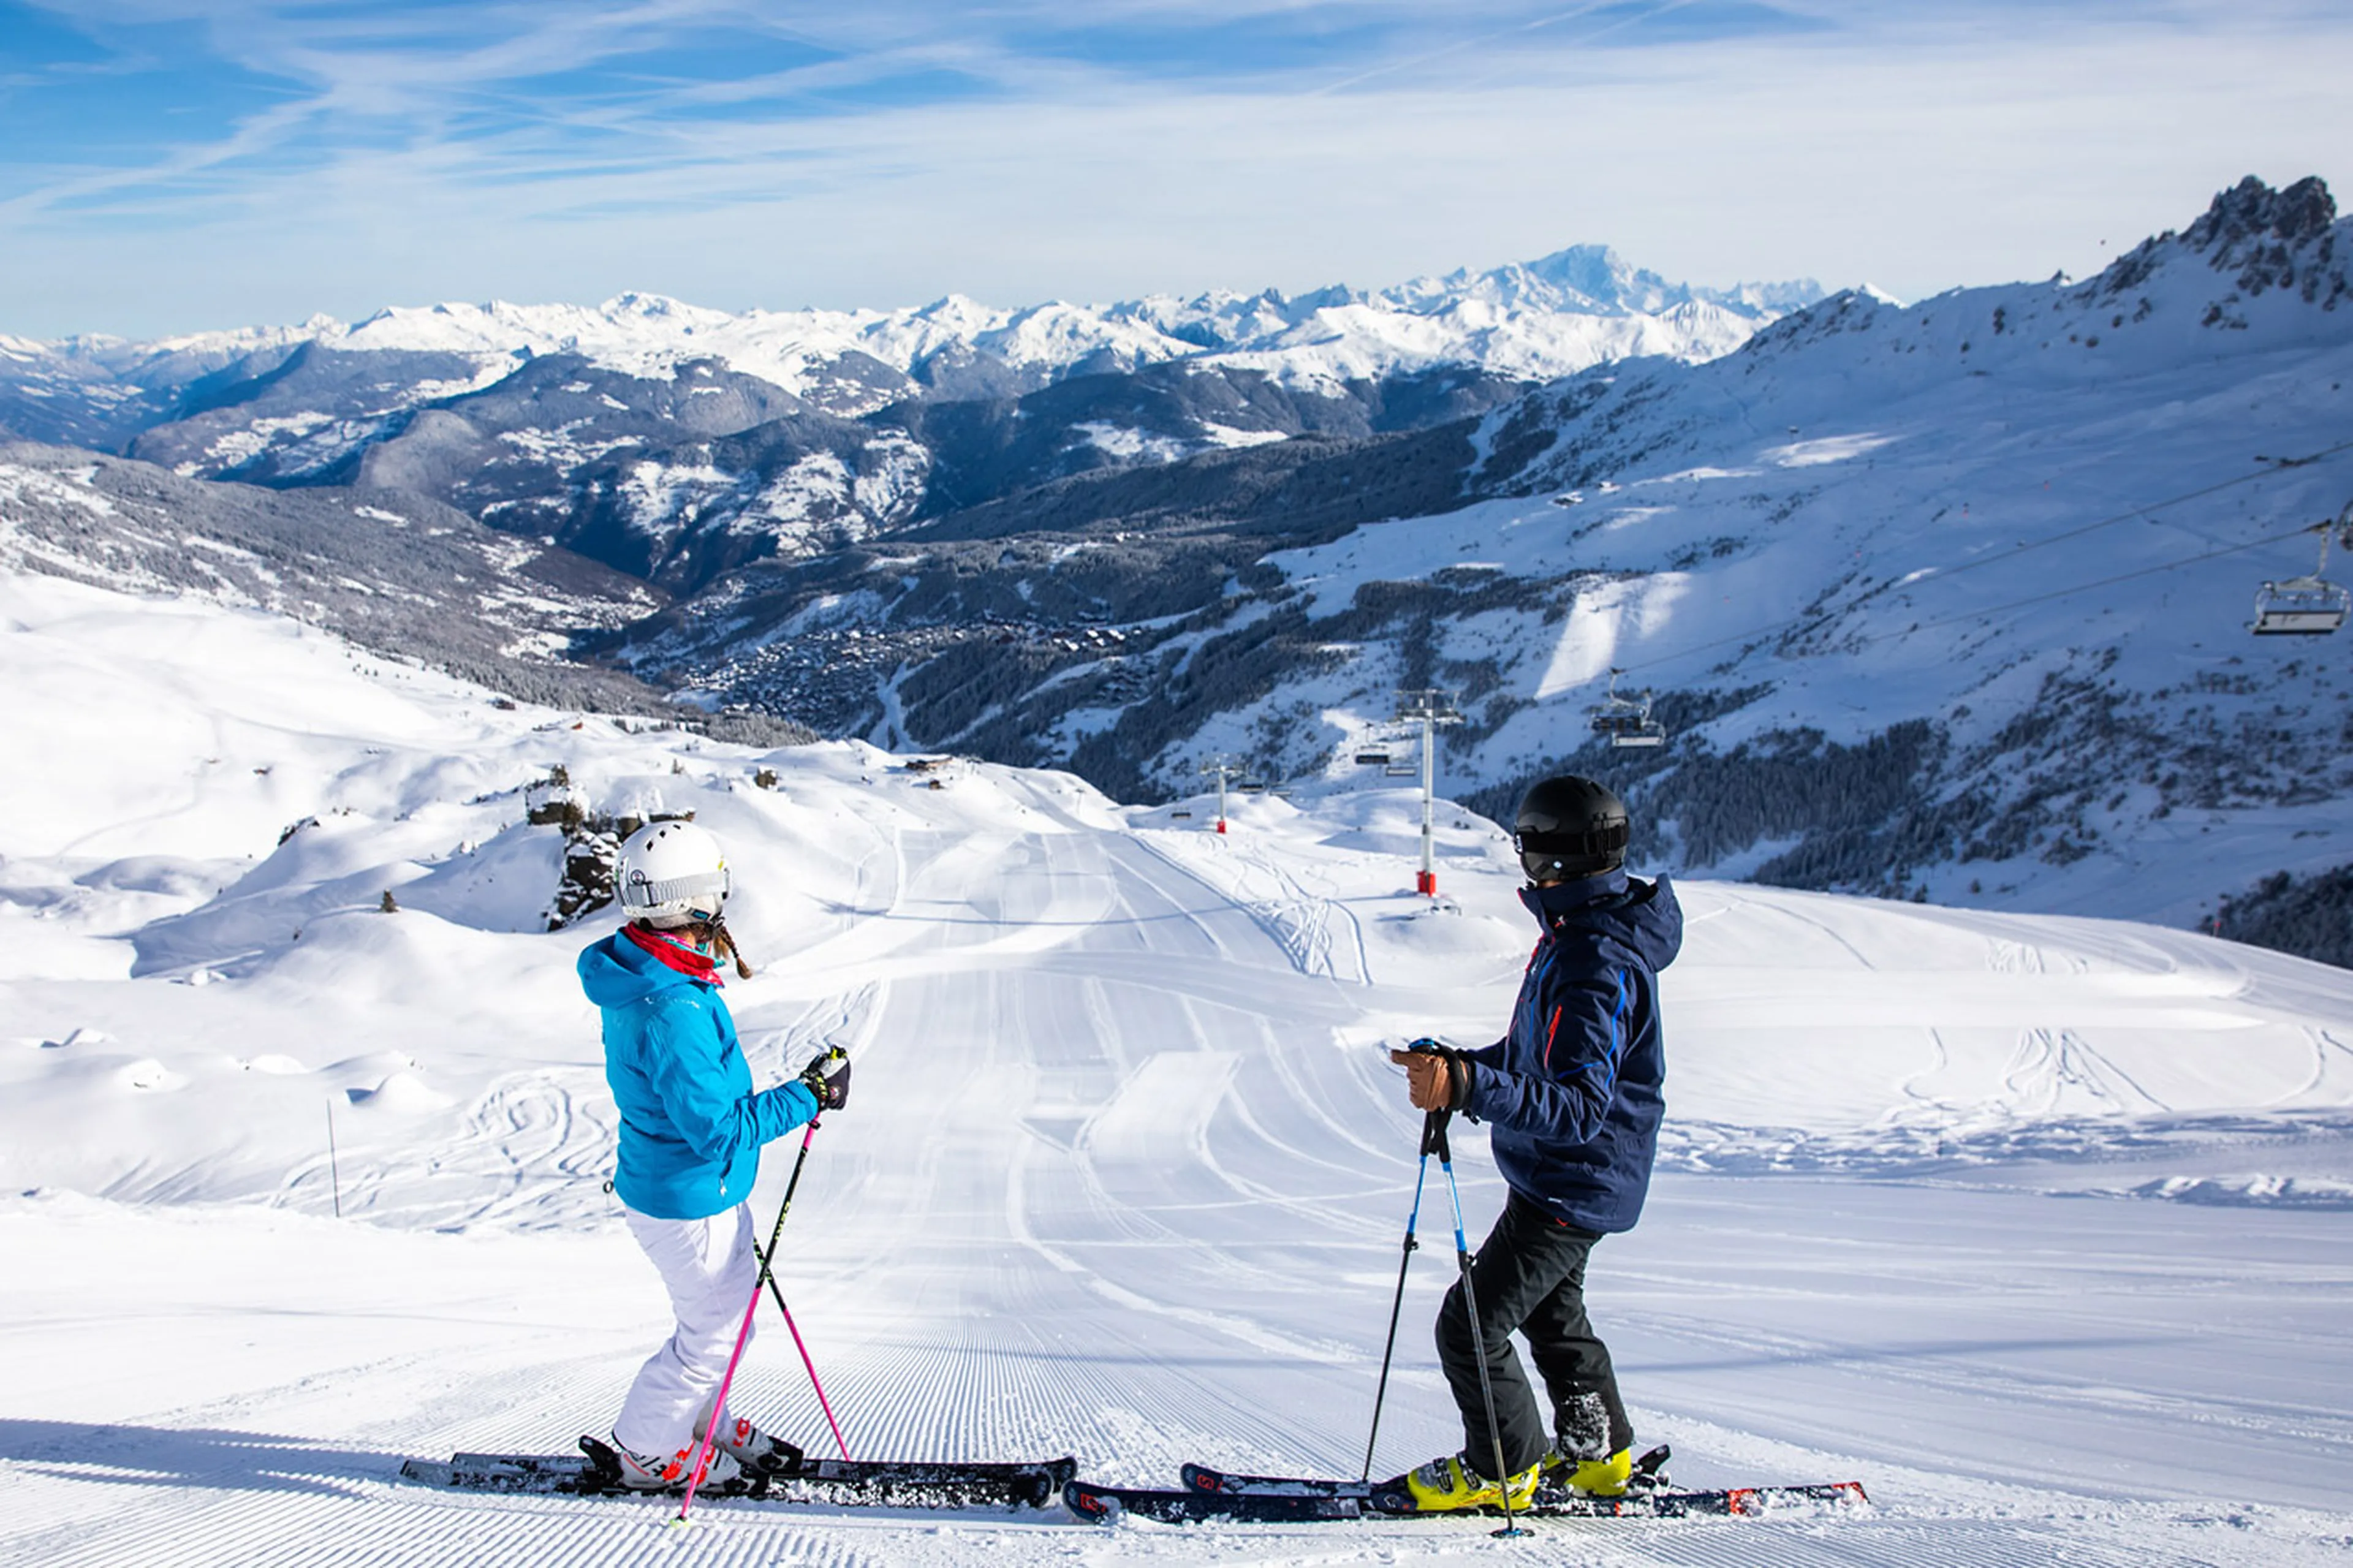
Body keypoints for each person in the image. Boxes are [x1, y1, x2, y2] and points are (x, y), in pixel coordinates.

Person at [1389, 775, 1681, 1512]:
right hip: (1575, 1178)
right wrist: (1466, 1067)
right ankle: (1597, 1456)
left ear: (1544, 859)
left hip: (1571, 1181)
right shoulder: (1586, 935)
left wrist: (1465, 1088)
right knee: (1554, 1317)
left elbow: (1578, 1108)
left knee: (1470, 1326)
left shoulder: (1592, 961)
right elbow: (1534, 1060)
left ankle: (1501, 1466)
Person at [578, 818, 854, 1491]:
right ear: (698, 896)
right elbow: (720, 1131)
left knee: (727, 1329)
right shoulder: (667, 1005)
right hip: (688, 1198)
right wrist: (809, 1095)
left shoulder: (650, 969)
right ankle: (648, 1451)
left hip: (702, 1191)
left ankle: (700, 1419)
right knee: (709, 1340)